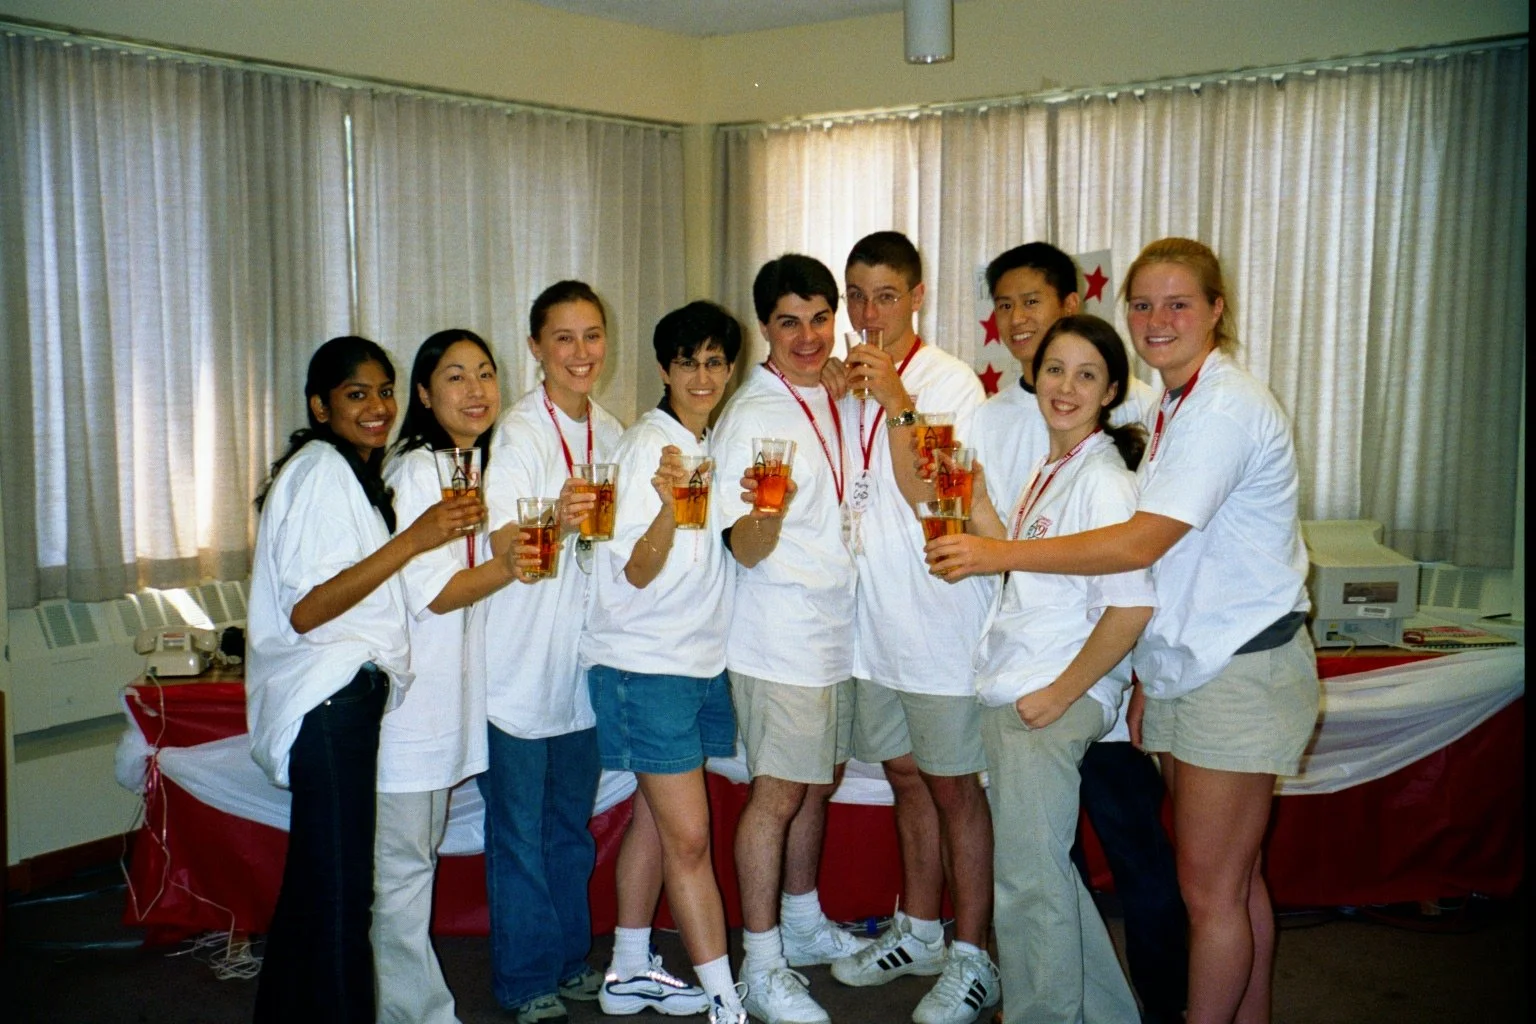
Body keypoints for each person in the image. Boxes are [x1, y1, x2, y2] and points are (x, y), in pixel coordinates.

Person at [927, 238, 1320, 1024]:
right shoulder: (1171, 406)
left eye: (1178, 303)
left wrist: (998, 557)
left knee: (1207, 892)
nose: (1157, 318)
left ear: (1217, 309)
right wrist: (1149, 679)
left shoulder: (1222, 408)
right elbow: (1150, 579)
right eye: (1142, 303)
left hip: (1241, 665)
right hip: (1193, 665)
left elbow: (1136, 555)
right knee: (1232, 885)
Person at [972, 241, 1186, 1023]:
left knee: (1027, 889)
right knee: (1048, 880)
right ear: (1034, 375)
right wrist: (957, 494)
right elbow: (1025, 569)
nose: (1065, 386)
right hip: (1027, 688)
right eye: (1055, 370)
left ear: (1111, 392)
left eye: (1086, 375)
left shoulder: (1101, 478)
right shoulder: (1054, 465)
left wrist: (1058, 695)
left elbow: (1130, 606)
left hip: (1047, 699)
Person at [246, 336, 482, 1023]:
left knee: (316, 891)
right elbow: (309, 607)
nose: (377, 407)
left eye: (383, 391)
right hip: (329, 700)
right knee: (343, 898)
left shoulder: (343, 471)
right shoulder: (322, 470)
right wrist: (416, 538)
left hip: (338, 699)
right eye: (356, 394)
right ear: (320, 407)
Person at [834, 231, 1001, 1024]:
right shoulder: (847, 381)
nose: (869, 314)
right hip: (876, 628)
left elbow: (945, 499)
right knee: (906, 780)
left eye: (886, 296)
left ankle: (974, 960)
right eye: (856, 297)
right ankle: (922, 930)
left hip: (942, 624)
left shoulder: (950, 381)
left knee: (956, 790)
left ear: (918, 295)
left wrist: (899, 400)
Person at [711, 254, 871, 1024]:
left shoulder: (836, 391)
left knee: (816, 781)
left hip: (835, 625)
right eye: (788, 322)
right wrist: (762, 518)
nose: (807, 337)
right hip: (778, 631)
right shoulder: (754, 416)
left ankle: (803, 925)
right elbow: (739, 548)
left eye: (818, 318)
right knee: (776, 793)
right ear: (763, 327)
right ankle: (761, 961)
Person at [580, 301, 746, 1024]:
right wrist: (665, 510)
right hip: (646, 669)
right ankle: (727, 1003)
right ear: (664, 370)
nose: (702, 375)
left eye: (714, 361)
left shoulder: (705, 441)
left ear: (731, 369)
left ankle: (626, 969)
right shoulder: (651, 446)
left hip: (693, 664)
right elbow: (636, 572)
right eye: (688, 362)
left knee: (654, 822)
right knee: (689, 840)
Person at [479, 282, 625, 1024]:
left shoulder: (613, 427)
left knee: (571, 826)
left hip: (582, 665)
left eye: (591, 336)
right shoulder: (519, 432)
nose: (580, 353)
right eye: (563, 339)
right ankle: (524, 978)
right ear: (535, 347)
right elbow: (505, 544)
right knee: (520, 834)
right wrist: (557, 520)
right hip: (517, 665)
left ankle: (569, 959)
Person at [375, 328, 522, 1024]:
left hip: (444, 701)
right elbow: (432, 591)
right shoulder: (416, 472)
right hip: (410, 706)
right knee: (402, 870)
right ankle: (416, 1013)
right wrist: (515, 563)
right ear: (426, 394)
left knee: (412, 861)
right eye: (456, 377)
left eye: (486, 374)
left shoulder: (467, 466)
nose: (476, 390)